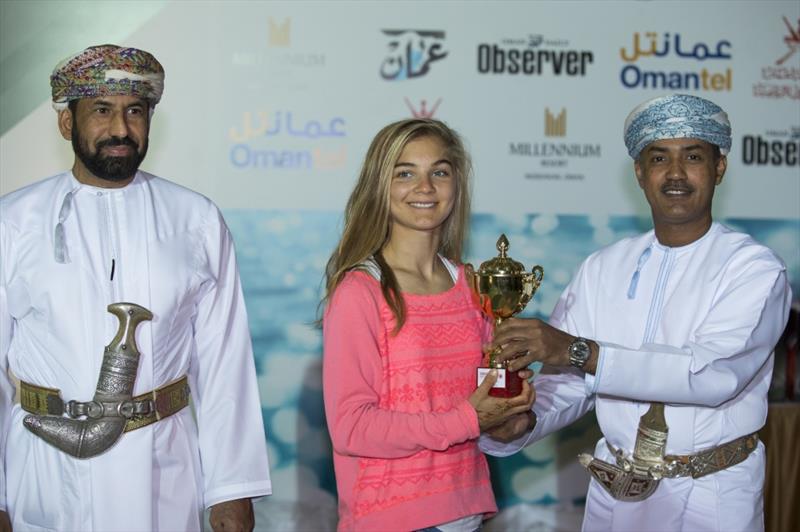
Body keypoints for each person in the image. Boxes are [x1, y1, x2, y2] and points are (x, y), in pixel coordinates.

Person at [480, 94, 792, 532]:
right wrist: (521, 423)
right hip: (615, 491)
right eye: (659, 157)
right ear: (640, 172)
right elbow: (568, 383)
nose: (676, 173)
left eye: (694, 156)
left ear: (719, 168)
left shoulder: (753, 269)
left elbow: (711, 374)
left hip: (713, 493)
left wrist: (578, 351)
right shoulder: (602, 267)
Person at [0, 45, 271, 532]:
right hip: (45, 470)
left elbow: (223, 361)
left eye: (135, 112)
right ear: (68, 124)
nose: (120, 129)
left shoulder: (196, 219)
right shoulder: (14, 221)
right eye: (101, 111)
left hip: (163, 466)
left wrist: (232, 489)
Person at [322, 118, 535, 531]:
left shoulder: (474, 287)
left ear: (456, 185)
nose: (425, 187)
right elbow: (351, 427)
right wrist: (469, 419)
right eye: (406, 173)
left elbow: (487, 410)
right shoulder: (359, 291)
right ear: (379, 186)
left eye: (439, 171)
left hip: (465, 511)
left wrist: (512, 415)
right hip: (390, 518)